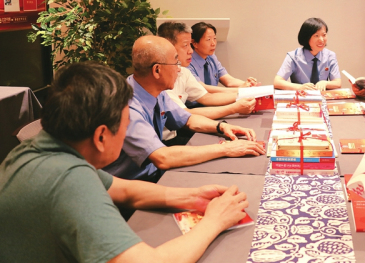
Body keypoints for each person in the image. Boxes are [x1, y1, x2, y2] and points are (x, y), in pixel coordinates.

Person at [0, 61, 251, 263]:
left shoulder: (40, 150)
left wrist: (194, 196)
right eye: (125, 125)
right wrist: (214, 221)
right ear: (101, 136)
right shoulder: (69, 182)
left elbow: (126, 191)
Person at [102, 35, 265, 183]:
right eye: (175, 63)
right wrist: (225, 148)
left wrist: (221, 126)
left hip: (154, 173)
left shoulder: (155, 90)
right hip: (132, 184)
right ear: (157, 70)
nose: (179, 69)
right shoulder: (128, 106)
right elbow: (162, 158)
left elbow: (188, 119)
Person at [157, 21, 256, 124]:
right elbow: (185, 114)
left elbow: (207, 97)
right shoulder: (161, 78)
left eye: (214, 38)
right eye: (185, 45)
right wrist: (234, 107)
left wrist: (246, 92)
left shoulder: (185, 71)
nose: (190, 51)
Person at [273, 17, 341, 91]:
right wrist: (300, 87)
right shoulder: (293, 56)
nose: (321, 40)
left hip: (322, 96)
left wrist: (325, 83)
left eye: (324, 35)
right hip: (301, 96)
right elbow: (277, 82)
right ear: (306, 37)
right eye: (316, 36)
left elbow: (337, 82)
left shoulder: (330, 56)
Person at [188, 21, 258, 93]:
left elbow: (229, 81)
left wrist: (247, 84)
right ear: (194, 43)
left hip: (214, 99)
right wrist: (238, 90)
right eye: (208, 39)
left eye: (214, 38)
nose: (213, 43)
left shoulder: (212, 58)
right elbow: (201, 88)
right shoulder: (187, 61)